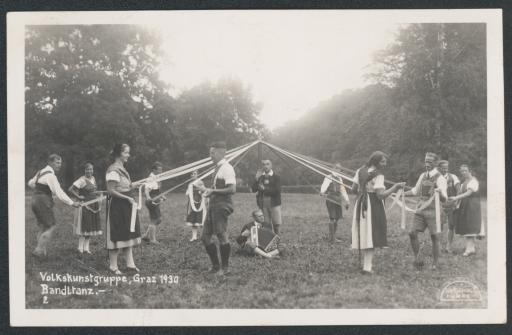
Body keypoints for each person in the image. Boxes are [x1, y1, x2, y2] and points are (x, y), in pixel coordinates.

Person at [351, 151, 404, 274]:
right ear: (376, 161)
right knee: (372, 233)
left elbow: (353, 189)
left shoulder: (360, 170)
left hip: (360, 204)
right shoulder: (379, 175)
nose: (385, 164)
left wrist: (362, 191)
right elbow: (380, 195)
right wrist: (395, 187)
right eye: (383, 161)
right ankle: (367, 267)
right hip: (373, 205)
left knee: (365, 232)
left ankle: (366, 265)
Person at [28, 154, 80, 258]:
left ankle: (42, 252)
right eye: (57, 162)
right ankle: (38, 251)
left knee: (43, 227)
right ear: (50, 162)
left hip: (34, 199)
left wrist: (39, 189)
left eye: (60, 163)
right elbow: (59, 192)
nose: (59, 165)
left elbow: (30, 183)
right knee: (51, 226)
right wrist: (72, 203)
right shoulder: (51, 176)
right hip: (43, 201)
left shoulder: (41, 172)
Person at [404, 152, 448, 270]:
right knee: (412, 233)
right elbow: (415, 191)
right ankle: (418, 259)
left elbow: (444, 199)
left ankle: (435, 263)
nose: (427, 164)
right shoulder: (423, 175)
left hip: (434, 210)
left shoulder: (440, 178)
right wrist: (401, 194)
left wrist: (440, 192)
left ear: (435, 163)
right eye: (426, 161)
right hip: (421, 209)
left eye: (430, 162)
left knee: (434, 237)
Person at [199, 141, 236, 276]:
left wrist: (212, 191)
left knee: (221, 235)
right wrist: (205, 189)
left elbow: (232, 189)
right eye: (210, 153)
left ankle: (225, 269)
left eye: (213, 153)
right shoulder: (217, 167)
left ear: (222, 152)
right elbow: (214, 189)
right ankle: (215, 266)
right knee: (205, 237)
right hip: (214, 205)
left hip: (222, 205)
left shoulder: (227, 168)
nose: (210, 156)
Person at [105, 143, 141, 275]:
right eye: (126, 152)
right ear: (119, 154)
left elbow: (124, 186)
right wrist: (126, 198)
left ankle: (130, 264)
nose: (128, 155)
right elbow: (110, 191)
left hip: (127, 205)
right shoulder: (113, 169)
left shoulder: (122, 168)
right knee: (117, 234)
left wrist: (133, 185)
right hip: (117, 206)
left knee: (128, 233)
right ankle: (113, 266)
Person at [68, 163, 103, 254]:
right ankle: (80, 248)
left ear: (93, 170)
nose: (89, 171)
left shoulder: (93, 178)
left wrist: (99, 194)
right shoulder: (81, 180)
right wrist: (79, 197)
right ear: (84, 170)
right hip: (85, 205)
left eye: (91, 169)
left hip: (93, 205)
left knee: (90, 226)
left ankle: (86, 248)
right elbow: (70, 189)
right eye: (87, 169)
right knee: (84, 225)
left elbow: (94, 191)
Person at [450, 164, 483, 256]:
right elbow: (461, 193)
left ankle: (469, 249)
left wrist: (455, 198)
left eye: (465, 170)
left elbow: (468, 193)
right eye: (462, 171)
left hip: (472, 205)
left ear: (470, 171)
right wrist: (455, 203)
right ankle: (471, 248)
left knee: (470, 226)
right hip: (465, 205)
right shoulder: (464, 182)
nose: (463, 172)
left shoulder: (473, 181)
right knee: (466, 225)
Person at [320, 162, 350, 243]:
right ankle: (331, 238)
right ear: (332, 168)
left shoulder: (340, 179)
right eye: (336, 168)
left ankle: (333, 236)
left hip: (338, 199)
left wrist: (347, 200)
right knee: (332, 217)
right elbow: (324, 185)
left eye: (339, 168)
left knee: (337, 218)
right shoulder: (329, 177)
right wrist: (322, 191)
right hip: (331, 198)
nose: (338, 170)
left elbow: (343, 190)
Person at [251, 159, 283, 235]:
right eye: (263, 164)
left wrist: (264, 189)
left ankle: (278, 244)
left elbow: (277, 191)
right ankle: (269, 245)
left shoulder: (276, 177)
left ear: (271, 166)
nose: (265, 166)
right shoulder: (260, 177)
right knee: (266, 225)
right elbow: (253, 189)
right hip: (263, 205)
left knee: (276, 225)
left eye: (267, 164)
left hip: (274, 204)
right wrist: (256, 178)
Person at [438, 160, 461, 253]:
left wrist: (457, 201)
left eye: (446, 167)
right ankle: (438, 246)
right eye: (443, 167)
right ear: (439, 168)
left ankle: (448, 246)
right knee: (439, 225)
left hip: (452, 205)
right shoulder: (436, 178)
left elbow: (459, 190)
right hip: (440, 205)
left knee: (451, 226)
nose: (445, 169)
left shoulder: (453, 177)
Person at [142, 161, 165, 244]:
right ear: (154, 170)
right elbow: (147, 189)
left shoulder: (156, 178)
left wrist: (162, 196)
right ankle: (152, 240)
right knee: (155, 219)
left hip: (155, 200)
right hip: (152, 201)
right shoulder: (150, 178)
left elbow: (157, 190)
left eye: (161, 170)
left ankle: (146, 235)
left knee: (157, 220)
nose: (160, 172)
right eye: (159, 170)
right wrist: (148, 197)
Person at [185, 170, 206, 242]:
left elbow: (204, 191)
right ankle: (194, 236)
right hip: (192, 204)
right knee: (193, 220)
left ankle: (205, 236)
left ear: (197, 175)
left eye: (194, 174)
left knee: (199, 220)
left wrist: (200, 191)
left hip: (199, 203)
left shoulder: (200, 182)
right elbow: (187, 194)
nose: (193, 175)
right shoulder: (190, 184)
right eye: (191, 174)